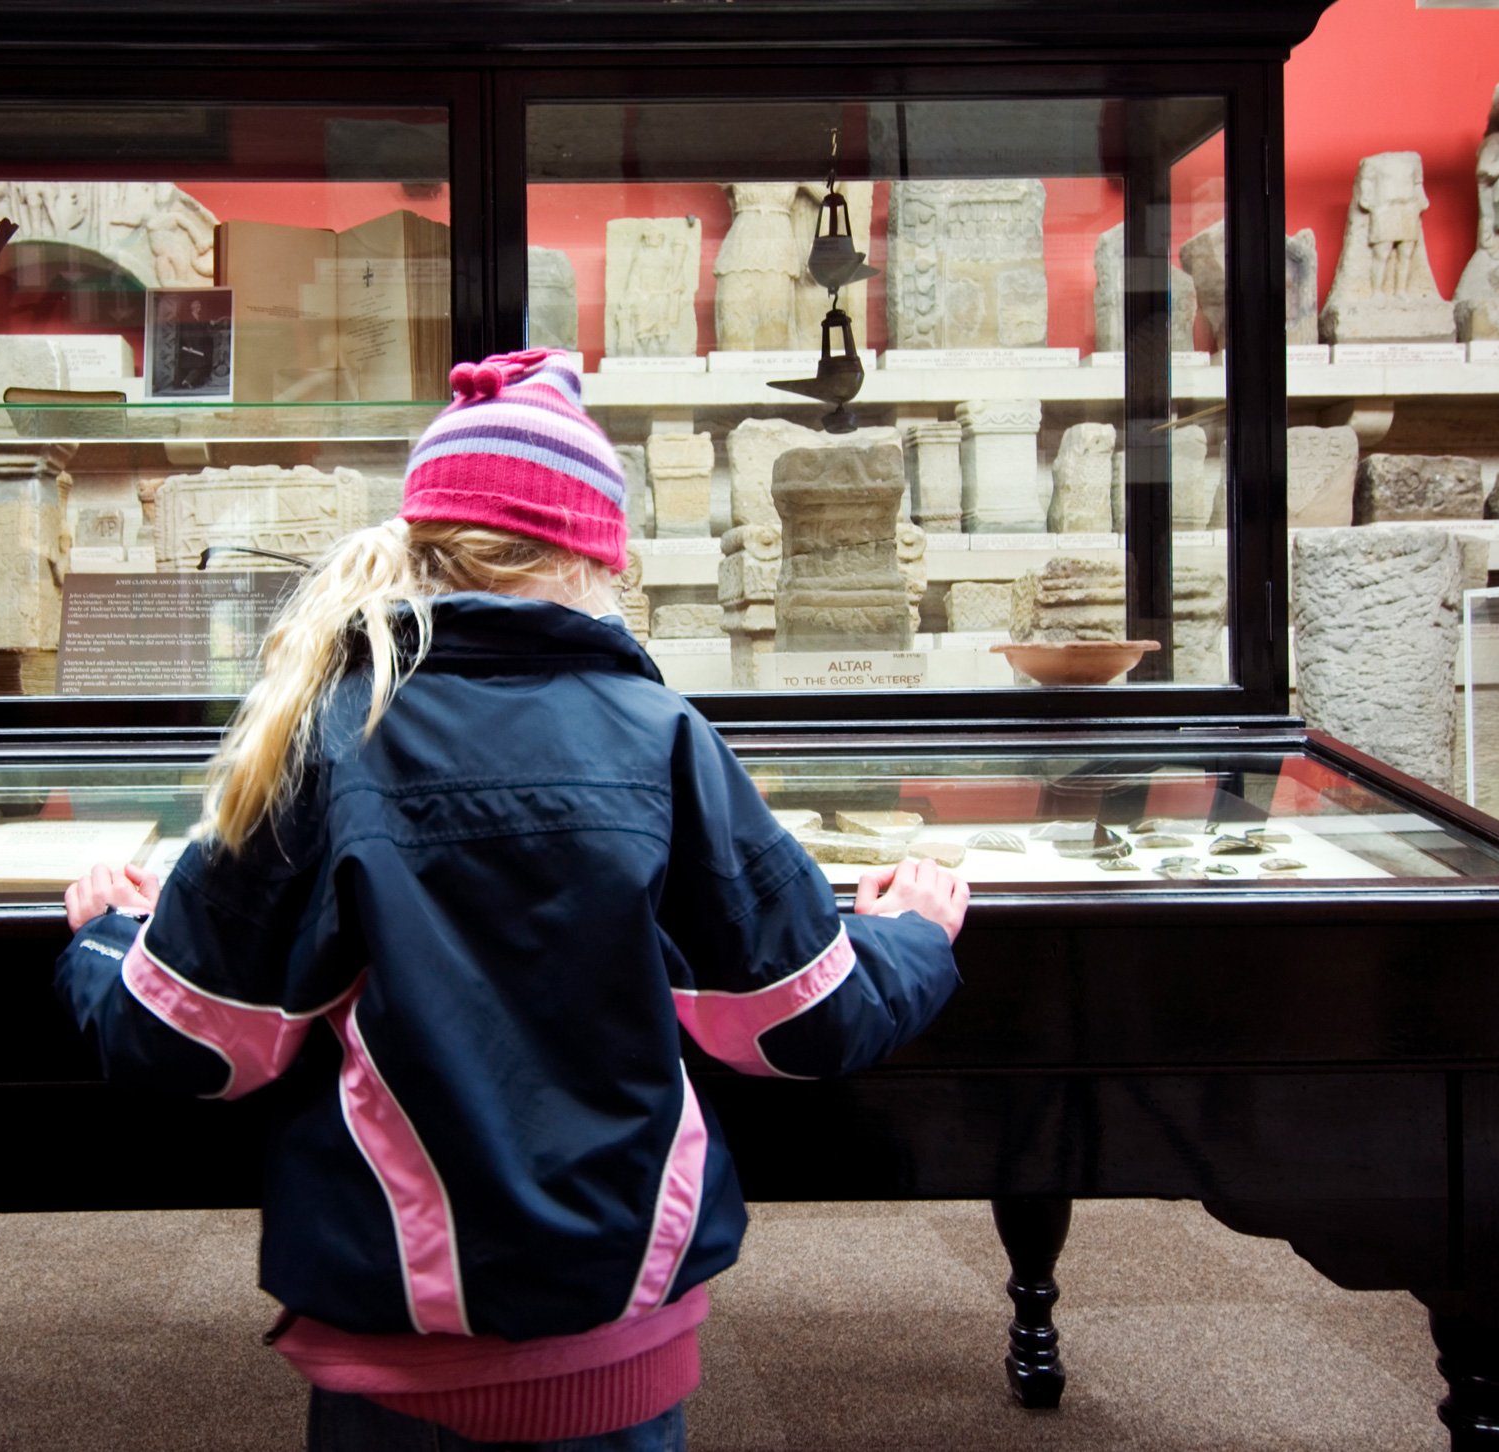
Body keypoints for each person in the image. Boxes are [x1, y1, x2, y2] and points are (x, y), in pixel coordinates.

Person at [55, 347, 966, 1452]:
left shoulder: (324, 738)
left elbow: (190, 1045)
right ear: (597, 559)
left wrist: (107, 937)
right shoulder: (665, 741)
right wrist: (908, 932)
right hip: (618, 1326)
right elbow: (802, 1023)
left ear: (422, 547)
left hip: (389, 1335)